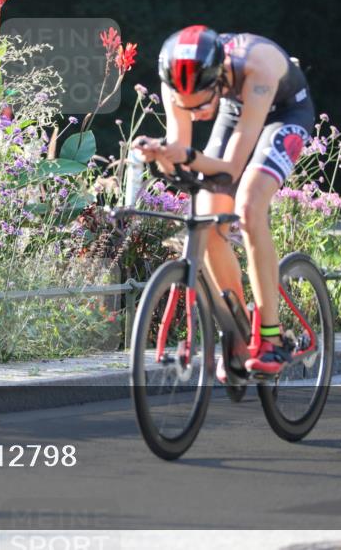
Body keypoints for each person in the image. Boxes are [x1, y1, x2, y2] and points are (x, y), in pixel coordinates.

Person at [132, 25, 316, 376]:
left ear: (218, 80)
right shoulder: (175, 77)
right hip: (236, 107)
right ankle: (238, 329)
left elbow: (230, 169)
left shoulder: (256, 69)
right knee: (206, 214)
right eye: (189, 107)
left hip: (282, 111)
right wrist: (160, 151)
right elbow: (180, 146)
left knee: (248, 204)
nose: (198, 114)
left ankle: (272, 338)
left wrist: (182, 154)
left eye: (202, 105)